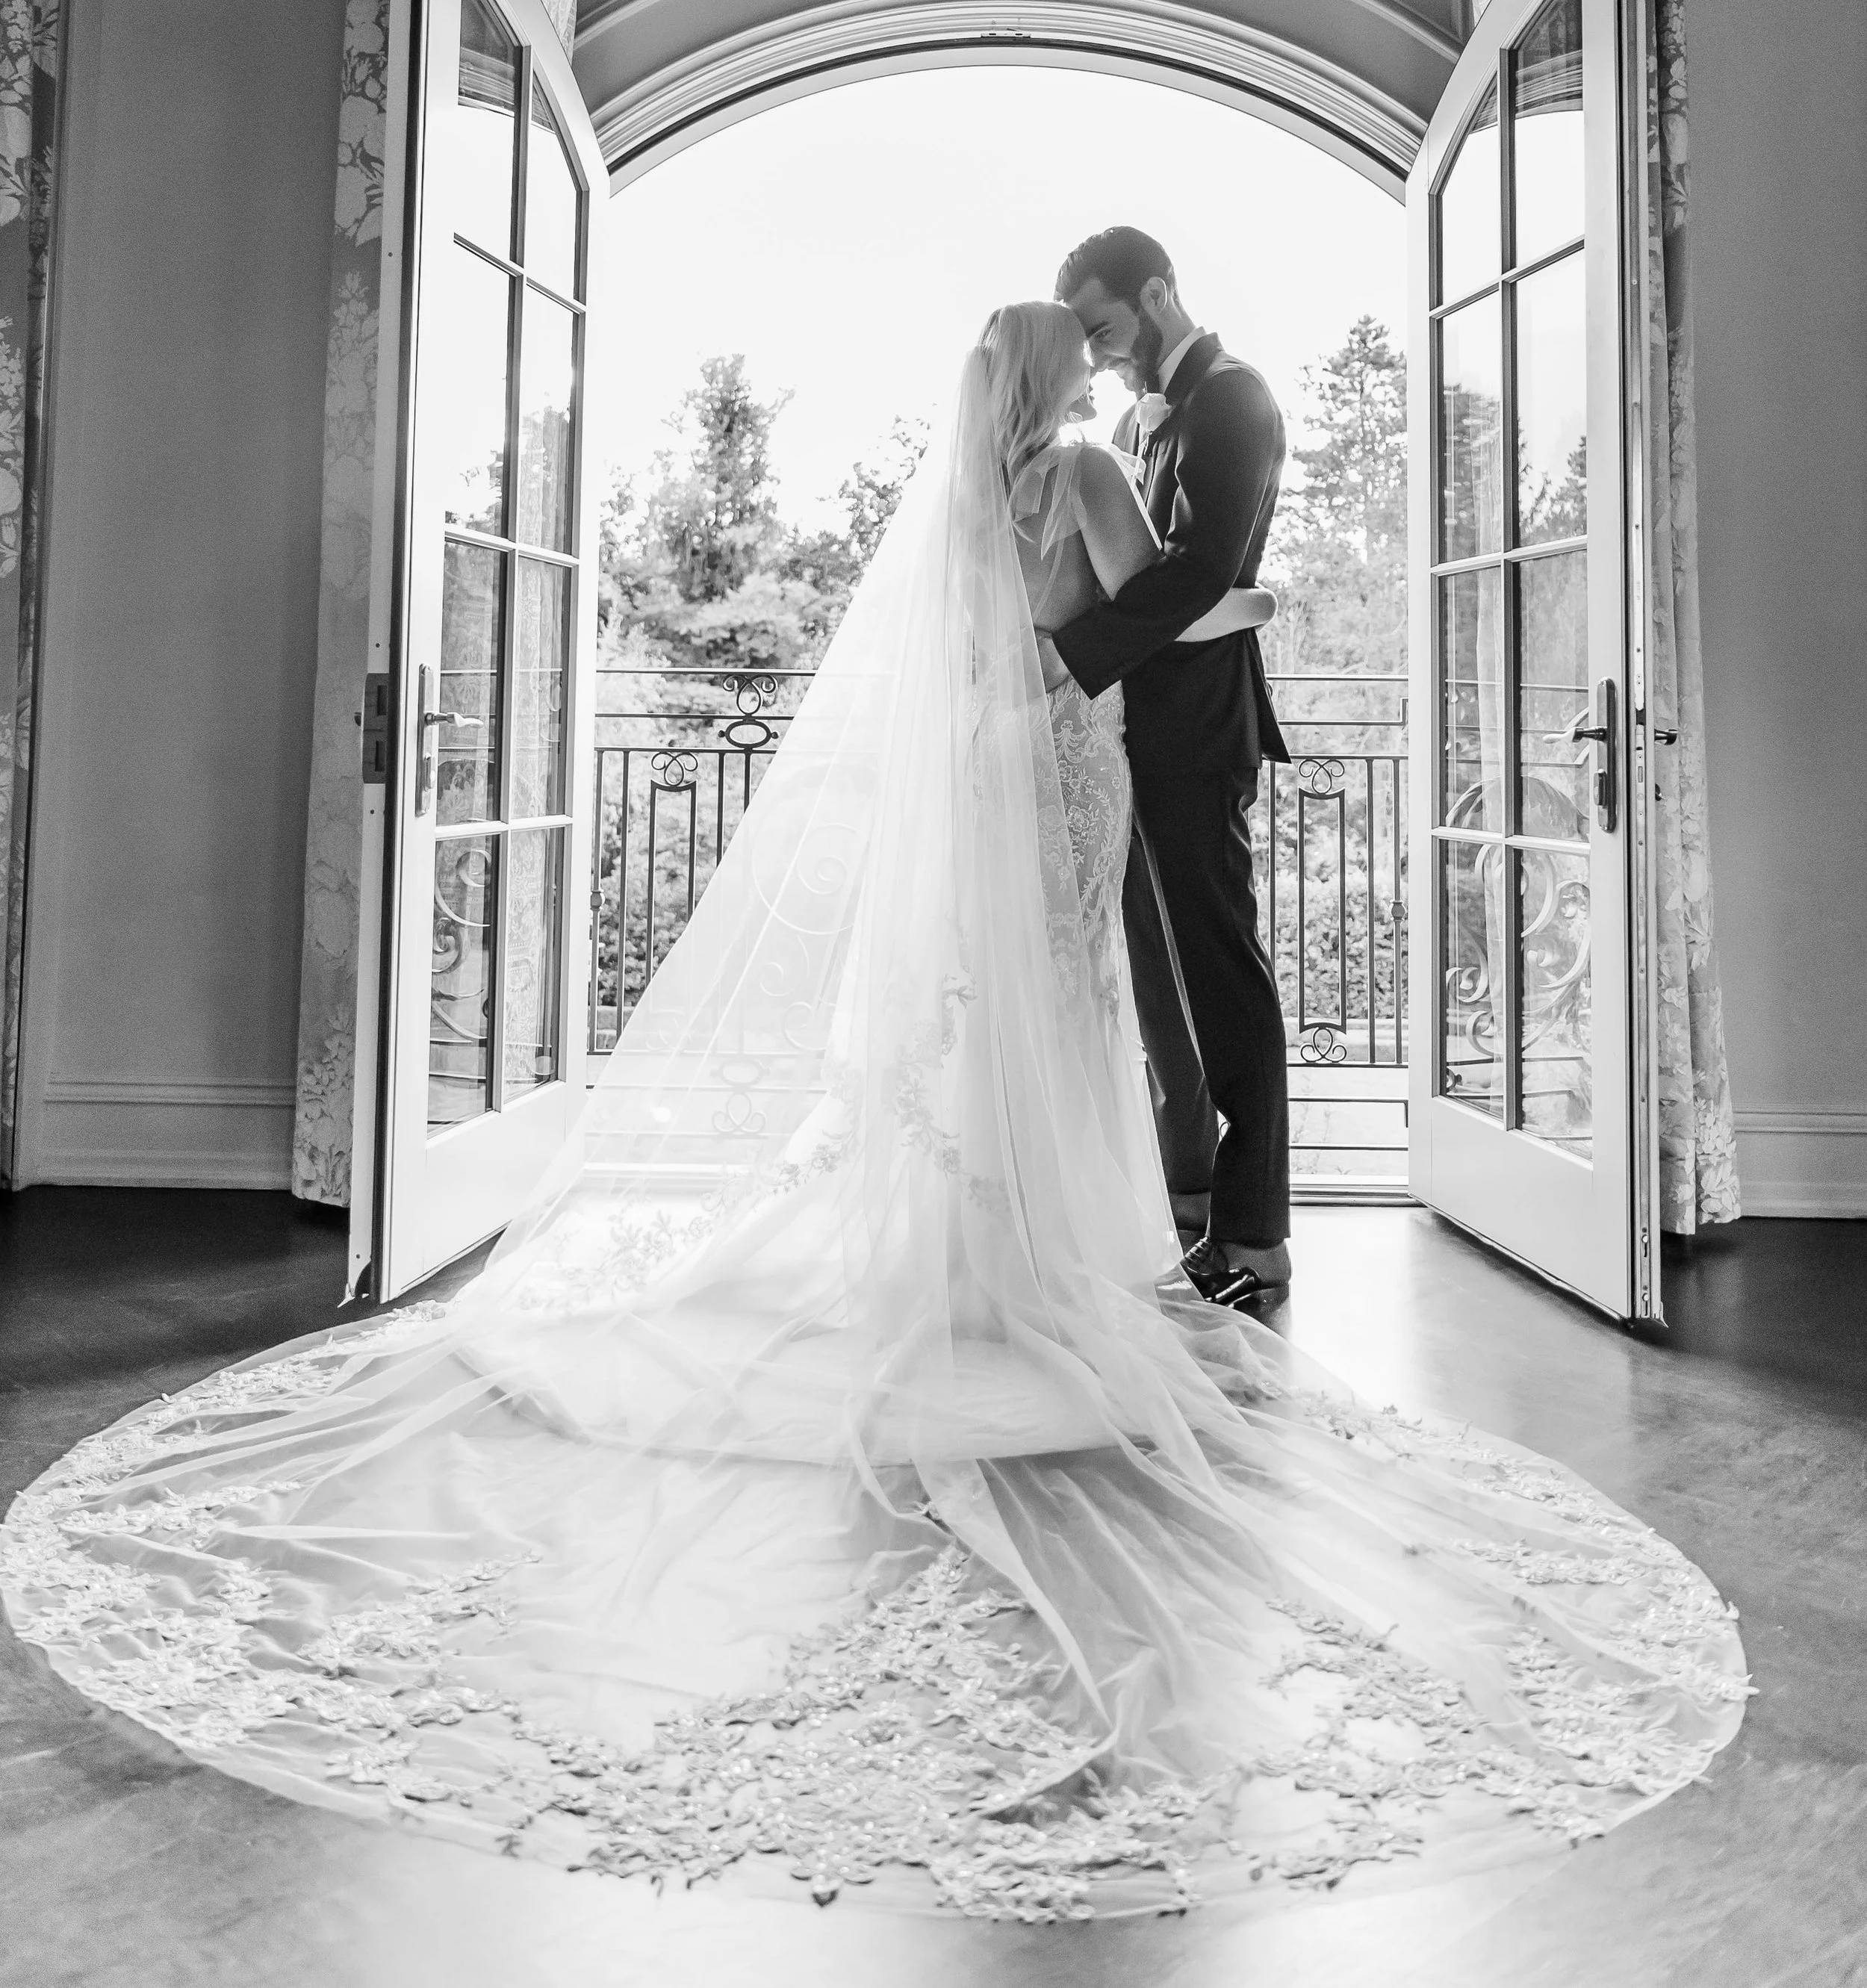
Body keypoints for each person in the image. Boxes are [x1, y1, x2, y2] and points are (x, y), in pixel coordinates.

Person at [0, 305, 1746, 1924]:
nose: (1094, 373)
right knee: (1061, 1001)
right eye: (1084, 354)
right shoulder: (1076, 466)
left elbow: (1035, 620)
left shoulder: (978, 487)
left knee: (975, 1010)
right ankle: (1046, 1242)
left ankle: (970, 1219)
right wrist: (1253, 611)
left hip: (990, 751)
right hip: (1066, 760)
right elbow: (1157, 606)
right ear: (1067, 376)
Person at [1050, 226, 1293, 1308]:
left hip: (1197, 734)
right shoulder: (1153, 416)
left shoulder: (1231, 401)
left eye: (1104, 330)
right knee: (1162, 986)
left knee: (1221, 975)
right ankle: (1192, 1201)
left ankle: (1256, 1236)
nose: (1098, 358)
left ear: (1157, 293)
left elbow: (1197, 572)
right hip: (1138, 732)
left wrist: (1064, 648)